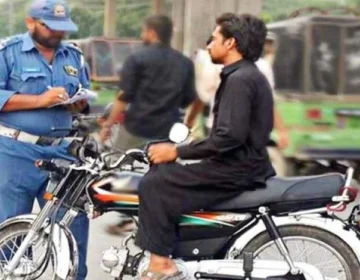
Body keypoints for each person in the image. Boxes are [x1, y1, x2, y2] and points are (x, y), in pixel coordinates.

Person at [136, 13, 276, 279]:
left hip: (237, 168)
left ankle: (162, 265)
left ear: (231, 43)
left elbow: (228, 138)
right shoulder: (243, 75)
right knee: (162, 174)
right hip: (242, 164)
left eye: (213, 39)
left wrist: (175, 151)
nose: (209, 45)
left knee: (154, 185)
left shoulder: (240, 80)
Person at [0, 0, 90, 279]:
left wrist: (79, 105)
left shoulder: (73, 56)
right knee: (13, 231)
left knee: (72, 228)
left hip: (62, 152)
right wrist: (40, 100)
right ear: (31, 23)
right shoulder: (8, 52)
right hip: (16, 152)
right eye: (50, 27)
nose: (57, 34)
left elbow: (84, 96)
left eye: (62, 28)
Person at [100, 15, 198, 234]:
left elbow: (124, 96)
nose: (142, 35)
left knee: (120, 167)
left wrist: (107, 126)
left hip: (136, 126)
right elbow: (188, 98)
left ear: (152, 32)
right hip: (167, 128)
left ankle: (127, 217)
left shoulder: (137, 59)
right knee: (161, 173)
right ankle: (160, 218)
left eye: (144, 31)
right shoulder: (184, 62)